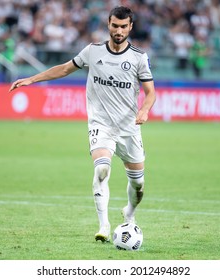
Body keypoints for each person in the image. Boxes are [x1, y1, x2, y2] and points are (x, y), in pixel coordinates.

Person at [8, 6, 156, 243]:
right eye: (114, 25)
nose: (118, 30)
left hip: (129, 127)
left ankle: (129, 211)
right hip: (101, 124)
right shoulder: (93, 51)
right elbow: (65, 69)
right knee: (101, 170)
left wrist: (145, 110)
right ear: (108, 24)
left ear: (130, 27)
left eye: (123, 26)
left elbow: (150, 92)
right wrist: (31, 79)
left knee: (138, 184)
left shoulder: (138, 57)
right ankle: (104, 225)